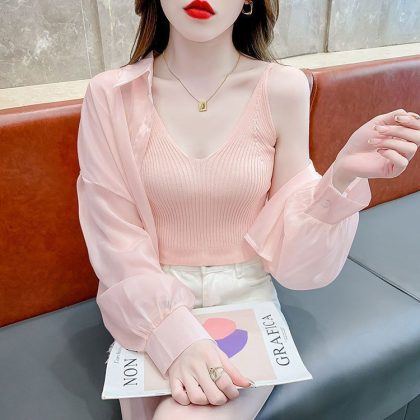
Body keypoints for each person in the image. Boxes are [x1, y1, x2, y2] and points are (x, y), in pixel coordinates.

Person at [75, 0, 420, 419]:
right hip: (146, 304)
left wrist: (340, 179)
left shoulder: (283, 88)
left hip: (245, 303)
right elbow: (114, 236)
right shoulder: (110, 95)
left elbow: (294, 257)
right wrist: (175, 338)